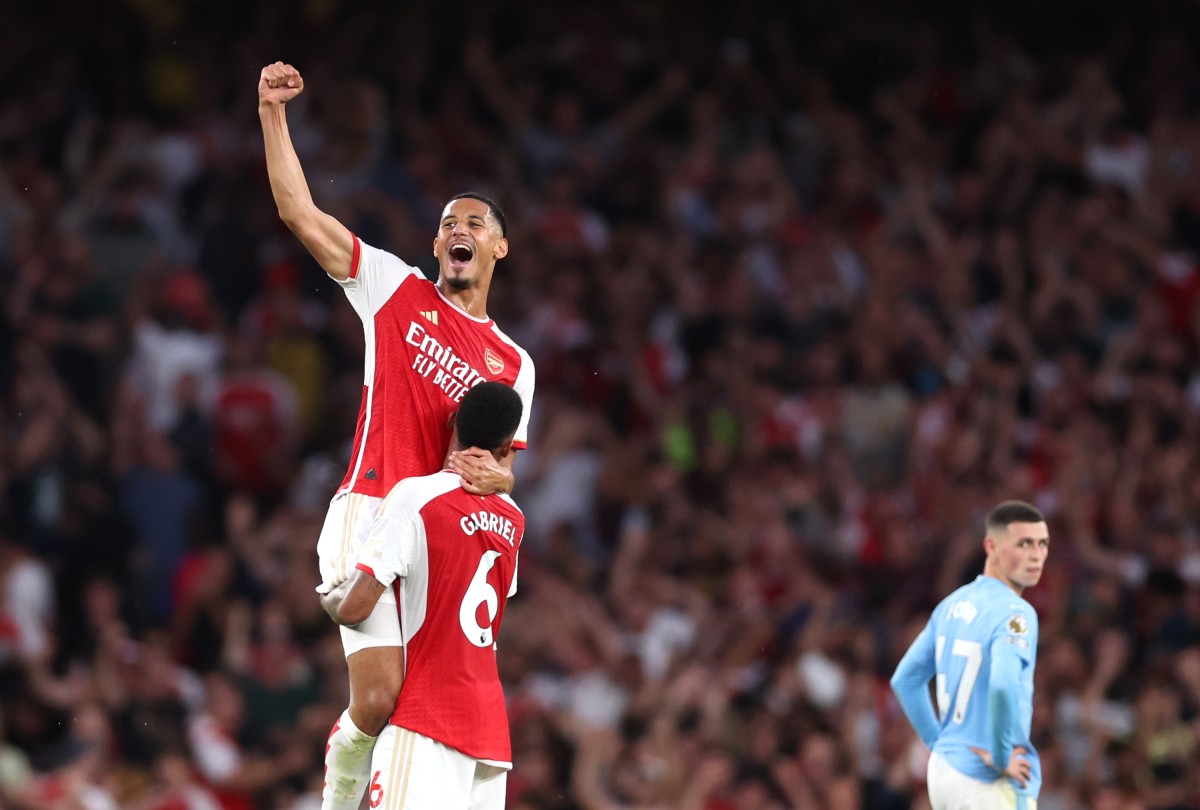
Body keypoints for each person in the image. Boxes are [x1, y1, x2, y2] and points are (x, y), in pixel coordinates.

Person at [258, 61, 535, 809]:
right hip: (375, 509)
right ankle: (343, 774)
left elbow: (504, 470)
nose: (457, 230)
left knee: (422, 709)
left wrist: (501, 481)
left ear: (499, 249)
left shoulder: (514, 363)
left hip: (435, 537)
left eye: (474, 222)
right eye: (448, 221)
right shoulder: (395, 289)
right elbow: (299, 213)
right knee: (379, 698)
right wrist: (272, 115)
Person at [320, 381, 526, 810]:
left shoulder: (417, 496)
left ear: (452, 422)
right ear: (508, 447)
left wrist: (330, 599)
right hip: (489, 736)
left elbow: (357, 607)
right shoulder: (515, 518)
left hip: (427, 721)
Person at [890, 500, 1049, 810]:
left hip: (945, 775)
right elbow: (1003, 685)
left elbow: (905, 680)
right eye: (1024, 544)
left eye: (1042, 544)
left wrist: (941, 746)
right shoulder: (1015, 613)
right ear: (991, 546)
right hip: (988, 778)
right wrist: (1001, 757)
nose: (1036, 555)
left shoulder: (950, 606)